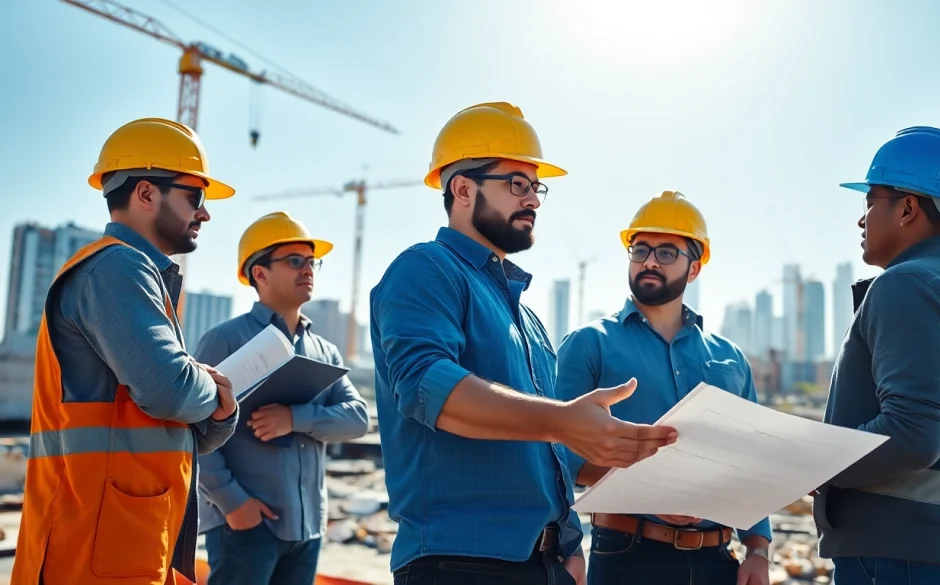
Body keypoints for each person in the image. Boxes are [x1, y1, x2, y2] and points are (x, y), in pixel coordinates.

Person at [369, 102, 678, 585]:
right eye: (517, 183)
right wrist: (562, 420)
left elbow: (546, 452)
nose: (533, 198)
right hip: (459, 566)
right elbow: (426, 386)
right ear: (463, 189)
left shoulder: (527, 320)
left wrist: (571, 543)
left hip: (545, 565)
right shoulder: (425, 268)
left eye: (536, 187)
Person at [11, 117, 239, 585]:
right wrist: (208, 386)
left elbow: (176, 422)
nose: (205, 214)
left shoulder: (136, 275)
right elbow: (170, 392)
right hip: (93, 550)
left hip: (119, 543)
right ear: (146, 194)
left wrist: (213, 411)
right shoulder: (117, 268)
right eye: (195, 196)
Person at [813, 126, 940, 585]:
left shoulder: (907, 284)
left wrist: (816, 464)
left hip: (893, 560)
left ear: (906, 208)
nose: (861, 220)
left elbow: (914, 433)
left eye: (870, 202)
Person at [554, 191, 772, 585]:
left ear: (694, 269)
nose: (650, 261)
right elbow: (557, 456)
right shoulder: (589, 345)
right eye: (640, 250)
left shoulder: (731, 358)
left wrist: (757, 550)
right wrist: (649, 491)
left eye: (667, 252)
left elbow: (750, 459)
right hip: (628, 558)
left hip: (719, 561)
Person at [193, 211, 371, 585]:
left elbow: (356, 419)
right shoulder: (225, 340)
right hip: (245, 525)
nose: (307, 269)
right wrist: (233, 503)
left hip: (307, 528)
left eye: (311, 261)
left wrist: (295, 418)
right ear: (259, 273)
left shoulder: (324, 350)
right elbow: (193, 432)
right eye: (294, 261)